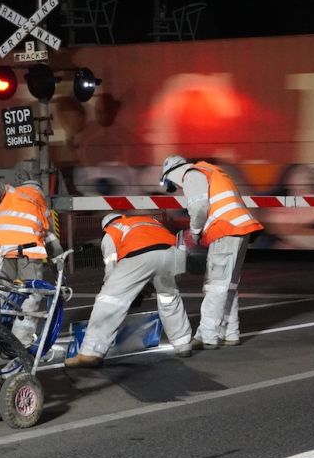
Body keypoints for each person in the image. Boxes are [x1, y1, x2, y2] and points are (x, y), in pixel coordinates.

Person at [159, 155, 264, 349]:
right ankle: (230, 333)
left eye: (173, 185)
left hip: (225, 230)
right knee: (228, 285)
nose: (178, 189)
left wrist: (195, 233)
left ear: (171, 174)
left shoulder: (191, 174)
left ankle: (207, 336)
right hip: (239, 229)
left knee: (215, 285)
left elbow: (199, 207)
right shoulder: (211, 171)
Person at [64, 212, 193, 367]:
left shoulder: (112, 230)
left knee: (109, 300)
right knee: (169, 298)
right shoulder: (145, 220)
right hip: (172, 255)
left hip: (141, 255)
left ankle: (90, 354)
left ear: (105, 226)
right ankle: (183, 344)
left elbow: (112, 268)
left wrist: (114, 288)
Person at [0, 167, 63, 281]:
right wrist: (58, 275)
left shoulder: (10, 192)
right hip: (28, 249)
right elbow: (54, 245)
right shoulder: (42, 206)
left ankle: (6, 297)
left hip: (2, 246)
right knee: (31, 289)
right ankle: (30, 297)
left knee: (5, 288)